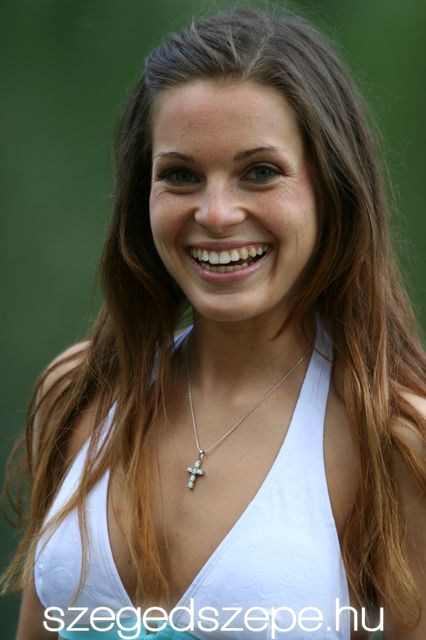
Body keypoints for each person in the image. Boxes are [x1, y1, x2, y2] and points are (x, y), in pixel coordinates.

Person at [1, 6, 425, 640]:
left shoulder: (394, 436)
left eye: (260, 172)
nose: (217, 213)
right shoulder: (81, 390)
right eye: (181, 175)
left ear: (331, 187)